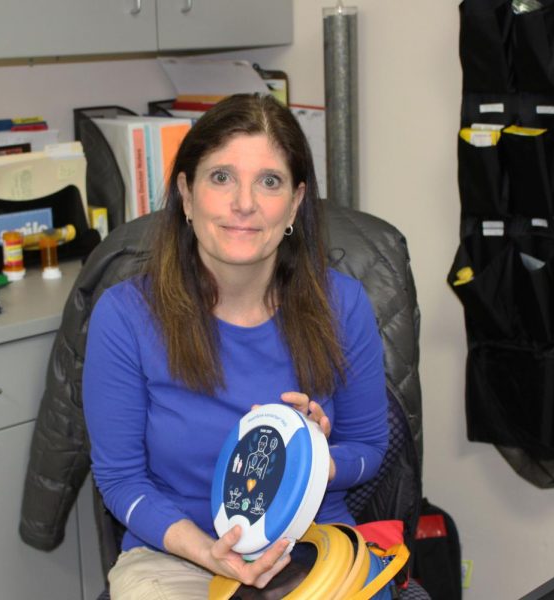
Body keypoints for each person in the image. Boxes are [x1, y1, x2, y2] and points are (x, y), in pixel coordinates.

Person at [83, 93, 388, 598]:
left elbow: (372, 448)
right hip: (177, 553)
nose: (243, 203)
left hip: (312, 542)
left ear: (294, 203)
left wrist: (317, 463)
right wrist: (208, 552)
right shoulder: (125, 316)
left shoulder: (343, 304)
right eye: (221, 177)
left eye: (269, 182)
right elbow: (120, 480)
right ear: (186, 193)